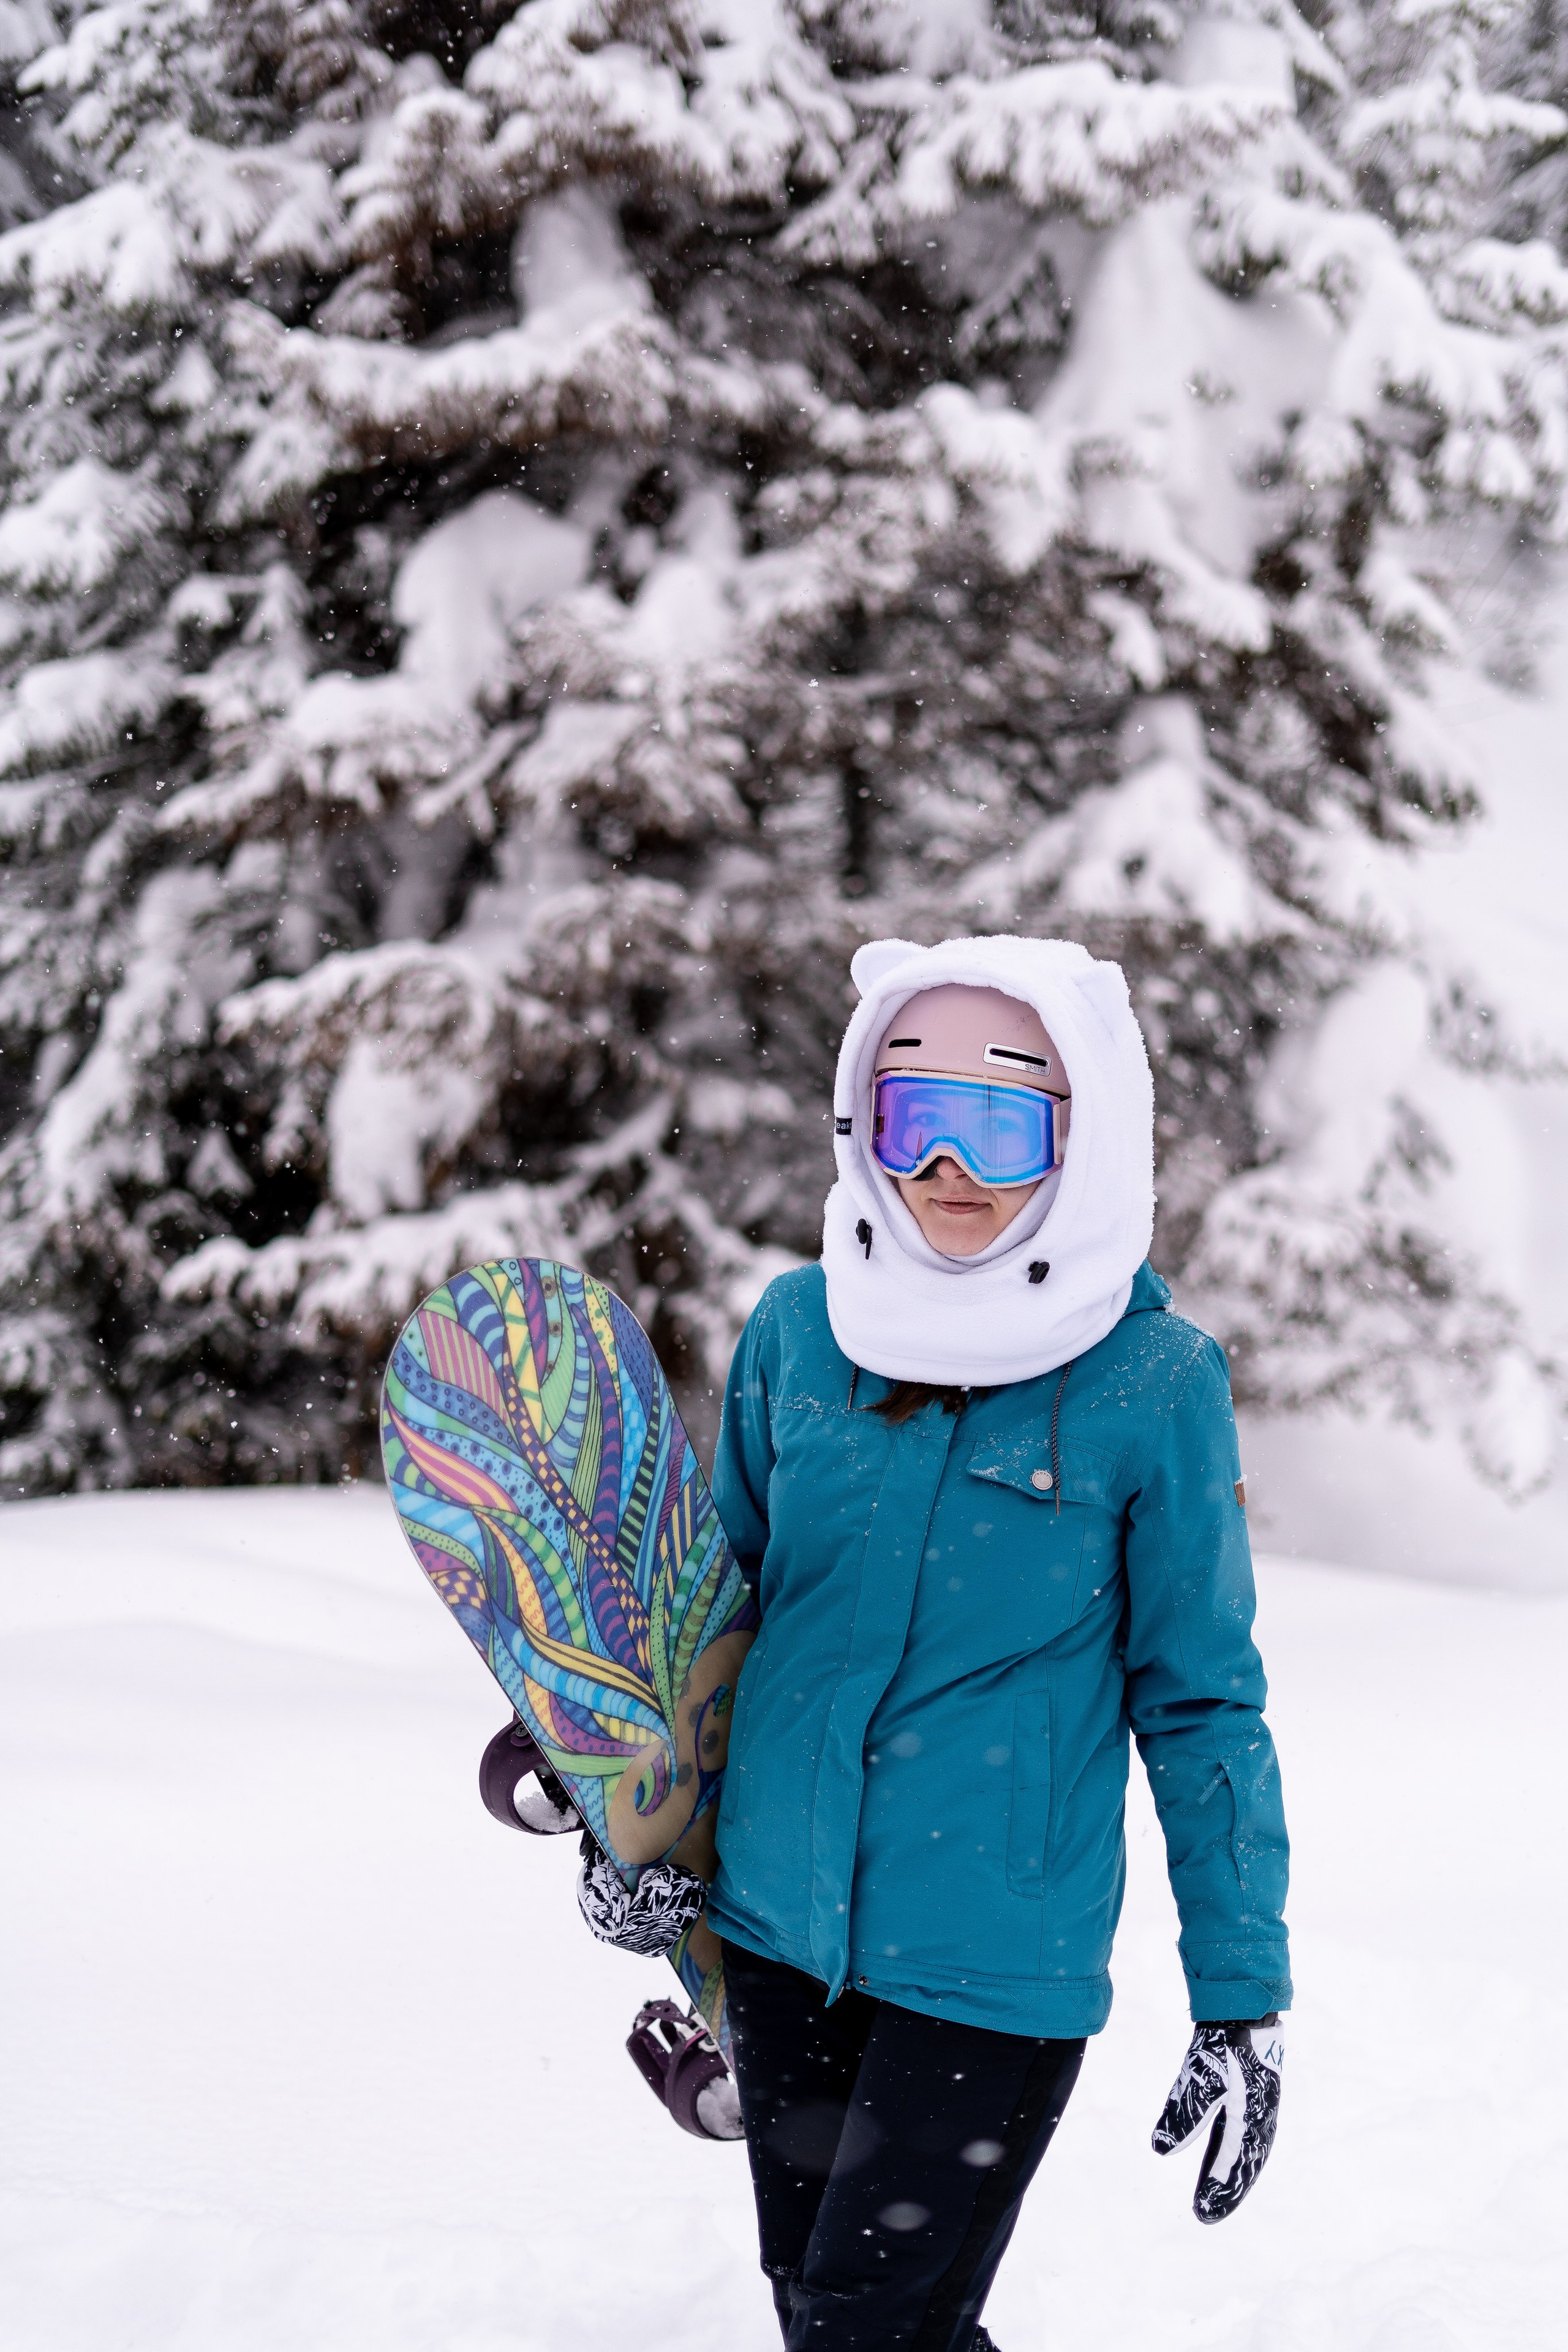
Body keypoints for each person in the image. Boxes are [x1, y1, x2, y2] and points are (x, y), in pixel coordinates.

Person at [583, 933, 1291, 2350]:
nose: (945, 1170)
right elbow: (710, 1626)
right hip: (777, 1932)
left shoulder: (1151, 1384)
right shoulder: (801, 1329)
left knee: (864, 2328)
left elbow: (1200, 1702)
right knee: (829, 2316)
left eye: (999, 1123)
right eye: (913, 1120)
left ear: (1082, 1140)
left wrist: (1239, 1994)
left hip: (990, 1962)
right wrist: (636, 1835)